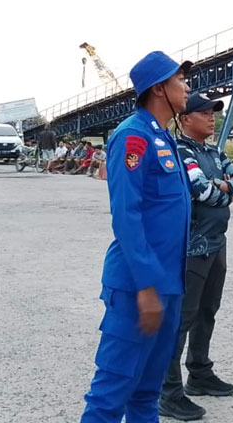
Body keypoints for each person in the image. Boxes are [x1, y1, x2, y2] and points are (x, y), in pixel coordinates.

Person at [79, 50, 192, 423]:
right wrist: (146, 285)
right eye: (180, 80)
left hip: (167, 285)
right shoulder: (133, 136)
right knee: (109, 396)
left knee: (146, 394)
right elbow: (127, 216)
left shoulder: (162, 136)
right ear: (158, 89)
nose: (187, 86)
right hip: (137, 288)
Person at [160, 94, 233, 421]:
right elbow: (202, 192)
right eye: (204, 113)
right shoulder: (180, 151)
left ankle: (199, 372)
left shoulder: (214, 152)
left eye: (213, 113)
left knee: (207, 310)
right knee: (181, 318)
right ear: (185, 119)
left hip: (216, 242)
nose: (212, 118)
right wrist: (225, 190)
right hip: (193, 247)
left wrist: (226, 187)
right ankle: (168, 391)